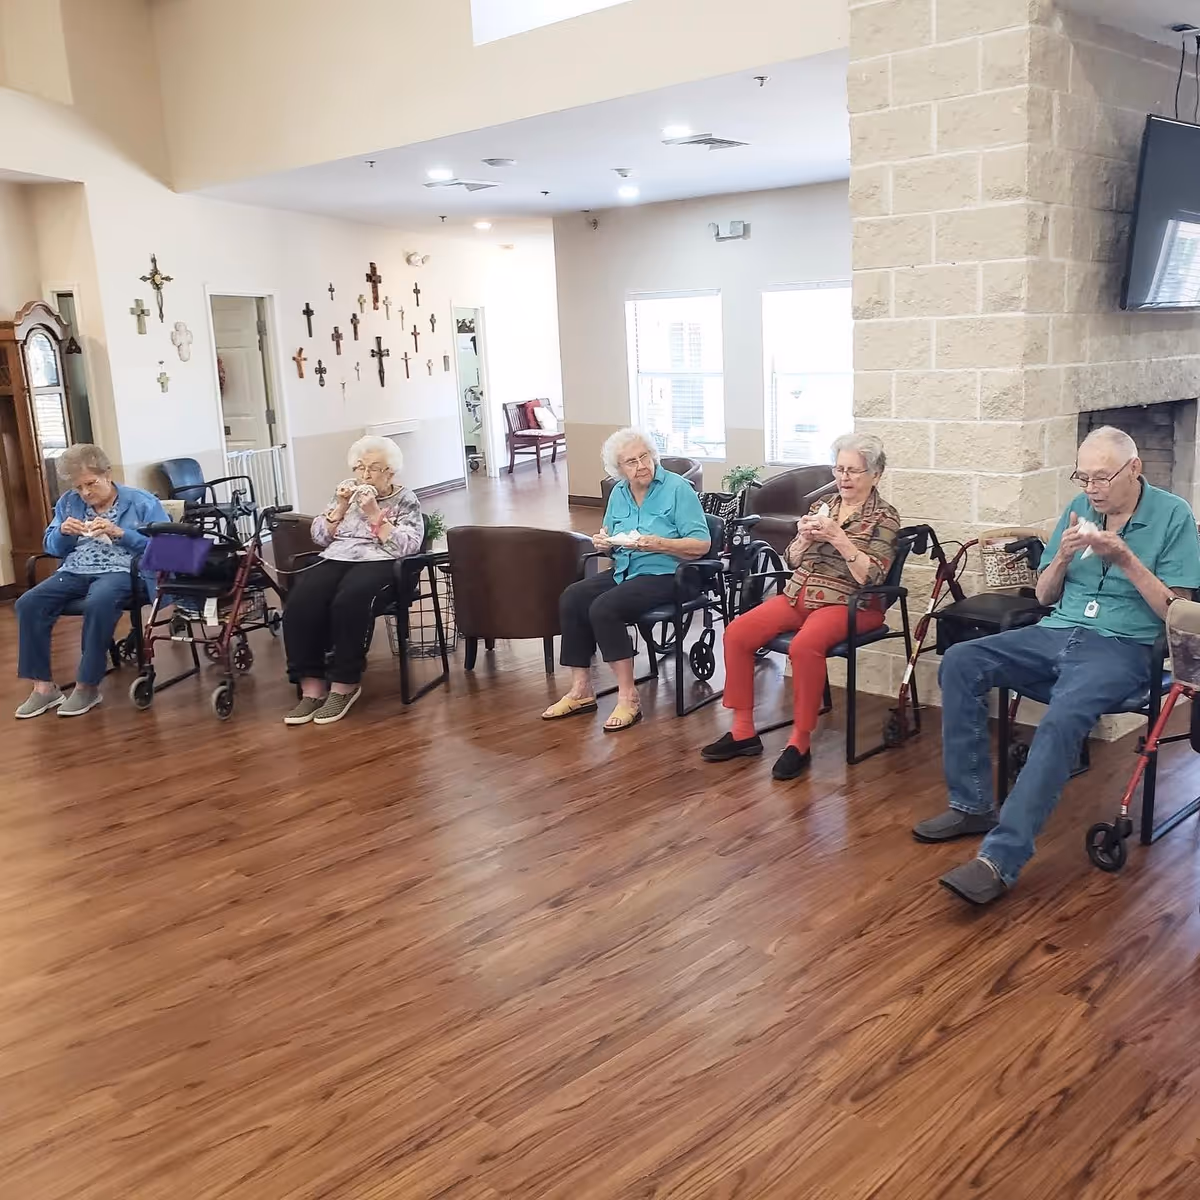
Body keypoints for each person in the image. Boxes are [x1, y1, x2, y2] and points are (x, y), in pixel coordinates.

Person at [915, 426, 1200, 905]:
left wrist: (1127, 559)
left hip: (1124, 646)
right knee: (963, 660)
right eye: (1083, 478)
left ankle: (999, 860)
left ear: (1135, 468)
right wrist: (1062, 558)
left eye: (1102, 478)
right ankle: (972, 805)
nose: (1092, 489)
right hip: (1056, 632)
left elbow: (1177, 612)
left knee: (1063, 715)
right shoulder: (1078, 509)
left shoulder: (1174, 516)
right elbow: (1045, 596)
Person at [701, 433, 900, 780]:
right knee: (737, 633)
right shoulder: (823, 505)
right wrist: (804, 537)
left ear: (876, 475)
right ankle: (743, 731)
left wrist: (840, 538)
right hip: (801, 594)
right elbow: (791, 559)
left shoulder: (885, 517)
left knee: (805, 645)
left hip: (852, 602)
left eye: (853, 471)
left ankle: (800, 741)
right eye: (839, 469)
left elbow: (872, 577)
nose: (844, 478)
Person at [542, 427, 711, 731]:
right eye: (631, 462)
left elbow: (701, 545)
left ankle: (628, 696)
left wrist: (660, 543)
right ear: (619, 469)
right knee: (573, 596)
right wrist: (604, 541)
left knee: (604, 607)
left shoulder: (677, 489)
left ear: (653, 455)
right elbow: (613, 536)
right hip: (627, 570)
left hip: (669, 573)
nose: (641, 466)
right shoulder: (620, 492)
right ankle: (581, 691)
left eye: (644, 456)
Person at [15, 444, 168, 718]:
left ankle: (87, 685)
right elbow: (53, 547)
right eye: (78, 487)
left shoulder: (142, 502)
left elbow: (169, 550)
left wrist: (122, 534)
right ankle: (43, 688)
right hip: (75, 570)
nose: (85, 493)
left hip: (123, 572)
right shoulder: (68, 503)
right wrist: (62, 532)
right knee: (29, 603)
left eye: (90, 484)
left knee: (99, 601)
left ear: (107, 474)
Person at [281, 435, 423, 726]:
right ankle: (311, 688)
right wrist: (342, 506)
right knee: (300, 601)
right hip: (338, 556)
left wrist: (373, 513)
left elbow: (406, 547)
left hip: (382, 560)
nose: (364, 475)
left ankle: (344, 684)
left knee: (350, 601)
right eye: (360, 467)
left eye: (373, 468)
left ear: (390, 472)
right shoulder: (345, 493)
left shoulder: (405, 499)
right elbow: (320, 537)